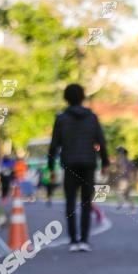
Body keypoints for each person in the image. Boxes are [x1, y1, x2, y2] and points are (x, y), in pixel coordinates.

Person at [48, 83, 109, 252]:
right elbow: (101, 142)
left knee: (70, 202)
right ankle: (84, 240)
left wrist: (51, 167)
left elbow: (54, 145)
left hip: (70, 164)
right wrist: (104, 163)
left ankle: (73, 240)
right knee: (86, 202)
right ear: (83, 97)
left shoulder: (61, 118)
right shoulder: (92, 117)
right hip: (88, 164)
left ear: (66, 98)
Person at [114, 146, 135, 211]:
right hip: (126, 179)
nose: (118, 154)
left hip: (124, 179)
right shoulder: (128, 161)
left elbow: (121, 170)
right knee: (126, 194)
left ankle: (120, 204)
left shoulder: (122, 160)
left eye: (119, 152)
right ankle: (131, 207)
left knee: (120, 192)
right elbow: (131, 171)